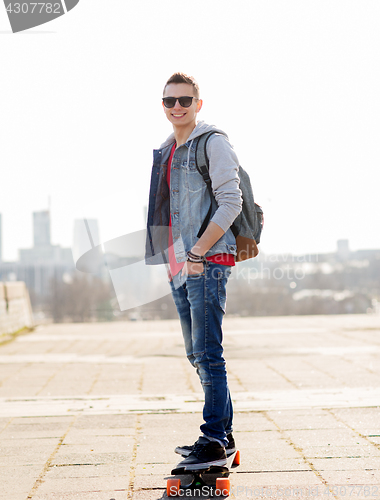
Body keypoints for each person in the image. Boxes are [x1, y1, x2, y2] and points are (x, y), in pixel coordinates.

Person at [146, 72, 242, 469]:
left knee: (208, 352)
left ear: (198, 104)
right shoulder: (167, 150)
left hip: (206, 259)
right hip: (180, 263)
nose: (177, 107)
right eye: (170, 101)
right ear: (162, 105)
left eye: (185, 100)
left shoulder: (213, 142)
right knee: (196, 353)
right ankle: (226, 438)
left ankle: (214, 438)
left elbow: (230, 201)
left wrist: (199, 252)